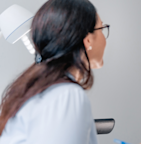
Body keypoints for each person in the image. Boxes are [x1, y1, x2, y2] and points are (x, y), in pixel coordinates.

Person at [0, 0, 110, 143]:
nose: (104, 38)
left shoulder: (34, 91)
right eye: (101, 29)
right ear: (87, 40)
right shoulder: (67, 95)